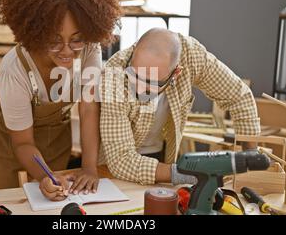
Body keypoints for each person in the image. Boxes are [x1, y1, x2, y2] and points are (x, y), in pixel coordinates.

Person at [0, 0, 122, 202]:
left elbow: (89, 108)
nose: (67, 51)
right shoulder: (15, 68)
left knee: (57, 199)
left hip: (56, 135)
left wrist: (89, 167)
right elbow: (23, 143)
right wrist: (44, 177)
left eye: (76, 39)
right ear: (36, 34)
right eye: (54, 40)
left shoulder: (90, 48)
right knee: (13, 202)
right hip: (14, 141)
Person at [100, 28, 260, 185]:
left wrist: (250, 157)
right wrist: (187, 174)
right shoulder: (113, 74)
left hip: (162, 155)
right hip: (115, 165)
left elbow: (239, 96)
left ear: (175, 73)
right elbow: (121, 160)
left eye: (151, 84)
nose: (140, 88)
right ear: (134, 53)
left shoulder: (192, 57)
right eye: (134, 76)